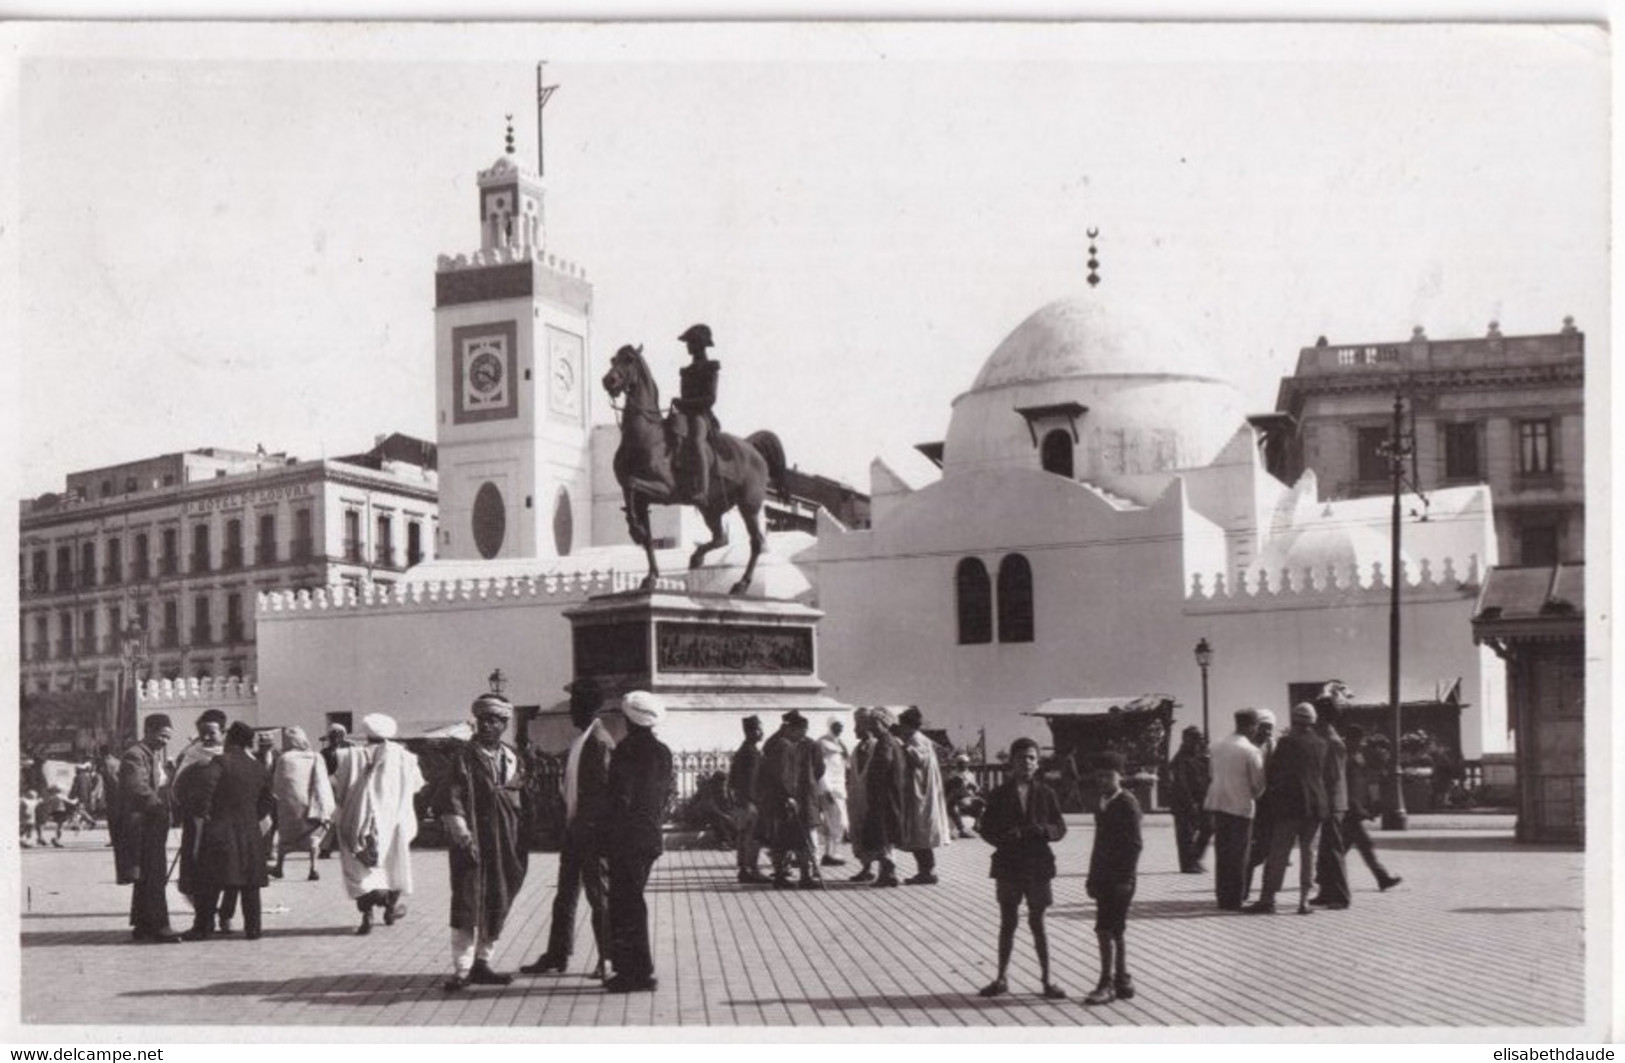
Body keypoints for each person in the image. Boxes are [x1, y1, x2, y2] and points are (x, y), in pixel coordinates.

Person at [522, 678, 616, 979]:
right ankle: (557, 953)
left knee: (598, 896)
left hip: (591, 833)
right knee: (565, 895)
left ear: (587, 707)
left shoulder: (599, 742)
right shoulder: (583, 740)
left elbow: (603, 793)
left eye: (575, 705)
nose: (571, 711)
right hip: (575, 830)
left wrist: (590, 830)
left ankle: (608, 958)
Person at [435, 694, 527, 991]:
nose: (487, 725)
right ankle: (462, 969)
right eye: (483, 719)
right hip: (472, 840)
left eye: (494, 720)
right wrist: (460, 829)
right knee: (466, 902)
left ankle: (483, 962)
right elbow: (450, 795)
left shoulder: (512, 757)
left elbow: (522, 795)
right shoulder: (463, 757)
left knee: (498, 899)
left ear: (504, 724)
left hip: (505, 843)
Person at [976, 737, 1067, 1000]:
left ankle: (1047, 980)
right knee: (1008, 922)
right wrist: (1005, 838)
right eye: (1021, 758)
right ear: (1011, 763)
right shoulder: (999, 794)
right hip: (1009, 865)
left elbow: (1060, 827)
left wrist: (1045, 831)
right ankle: (1001, 977)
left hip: (1038, 865)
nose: (1026, 762)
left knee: (1038, 922)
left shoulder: (1047, 793)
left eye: (1031, 757)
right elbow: (986, 829)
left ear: (1037, 763)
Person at [604, 690, 674, 993]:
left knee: (625, 903)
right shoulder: (663, 752)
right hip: (649, 834)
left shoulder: (627, 750)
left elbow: (621, 797)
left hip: (626, 836)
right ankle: (635, 969)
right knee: (632, 900)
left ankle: (636, 971)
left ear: (629, 720)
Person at [334, 712, 423, 936]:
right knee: (395, 866)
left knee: (361, 869)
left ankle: (367, 914)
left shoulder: (349, 756)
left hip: (357, 822)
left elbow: (339, 790)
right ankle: (390, 909)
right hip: (395, 822)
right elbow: (416, 786)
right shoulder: (405, 757)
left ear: (366, 733)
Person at [185, 722, 274, 941]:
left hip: (219, 828)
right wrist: (252, 817)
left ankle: (203, 927)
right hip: (250, 831)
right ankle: (253, 929)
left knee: (210, 881)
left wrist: (202, 813)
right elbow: (267, 801)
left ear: (230, 740)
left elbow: (206, 790)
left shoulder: (220, 762)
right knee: (250, 885)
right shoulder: (258, 767)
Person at [1246, 703, 1331, 916]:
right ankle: (1304, 901)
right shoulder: (1322, 744)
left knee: (1279, 853)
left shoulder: (1286, 743)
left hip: (1290, 806)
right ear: (1313, 722)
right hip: (1316, 805)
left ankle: (1268, 899)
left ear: (1294, 721)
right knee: (1308, 853)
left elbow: (1274, 774)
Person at [173, 709, 240, 932]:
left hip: (228, 823)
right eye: (203, 733)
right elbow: (177, 787)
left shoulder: (235, 756)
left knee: (231, 873)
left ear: (223, 731)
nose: (207, 737)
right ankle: (204, 918)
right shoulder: (193, 755)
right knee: (199, 872)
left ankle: (226, 914)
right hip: (199, 823)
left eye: (211, 732)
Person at [117, 713, 181, 944]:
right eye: (162, 736)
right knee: (153, 875)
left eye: (168, 737)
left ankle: (143, 924)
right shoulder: (135, 755)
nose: (165, 741)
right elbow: (137, 789)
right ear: (149, 731)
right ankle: (160, 926)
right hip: (143, 826)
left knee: (146, 876)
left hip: (150, 824)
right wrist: (160, 807)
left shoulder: (150, 755)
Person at [1084, 752, 1142, 1005]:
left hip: (1120, 879)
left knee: (1107, 928)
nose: (1104, 781)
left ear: (1121, 776)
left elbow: (1134, 845)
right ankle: (1122, 978)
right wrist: (1092, 875)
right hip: (1103, 876)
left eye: (1109, 776)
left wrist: (1125, 878)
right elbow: (1099, 844)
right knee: (1112, 928)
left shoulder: (1126, 803)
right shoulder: (1104, 801)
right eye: (1100, 777)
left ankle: (1106, 982)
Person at [1204, 708, 1266, 910]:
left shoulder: (1217, 746)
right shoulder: (1250, 751)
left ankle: (1222, 897)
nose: (1257, 730)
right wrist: (1254, 796)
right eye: (1256, 726)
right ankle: (1235, 899)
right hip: (1240, 807)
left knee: (1222, 854)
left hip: (1218, 803)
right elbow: (1258, 783)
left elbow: (1212, 773)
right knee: (1239, 855)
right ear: (1251, 726)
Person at [755, 710, 824, 889]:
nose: (804, 734)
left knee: (785, 841)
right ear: (792, 730)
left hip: (783, 801)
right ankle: (803, 877)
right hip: (787, 802)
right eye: (801, 730)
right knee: (798, 841)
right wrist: (789, 796)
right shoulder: (785, 746)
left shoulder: (781, 744)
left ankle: (785, 876)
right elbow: (783, 776)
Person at [1336, 725, 1403, 892]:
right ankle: (1382, 877)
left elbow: (1362, 783)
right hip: (1350, 808)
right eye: (1358, 740)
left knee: (1346, 846)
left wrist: (1369, 803)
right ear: (1351, 740)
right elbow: (1350, 786)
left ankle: (1323, 874)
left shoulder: (1356, 758)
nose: (1361, 743)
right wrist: (1361, 807)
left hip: (1353, 807)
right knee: (1363, 845)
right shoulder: (1346, 759)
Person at [270, 726, 336, 882]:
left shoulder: (285, 758)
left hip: (291, 804)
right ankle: (313, 868)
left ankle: (279, 867)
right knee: (313, 838)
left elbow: (279, 783)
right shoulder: (315, 757)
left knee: (285, 837)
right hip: (313, 802)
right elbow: (323, 782)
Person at [896, 707, 950, 885]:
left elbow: (918, 759)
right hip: (918, 790)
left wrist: (903, 746)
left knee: (920, 832)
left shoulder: (917, 740)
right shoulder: (916, 739)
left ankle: (927, 871)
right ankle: (925, 870)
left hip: (921, 792)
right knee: (918, 833)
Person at [1309, 699, 1351, 909]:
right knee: (1326, 851)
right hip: (1330, 802)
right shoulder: (1326, 737)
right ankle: (1326, 892)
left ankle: (1342, 896)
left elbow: (1332, 777)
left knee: (1333, 849)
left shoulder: (1332, 742)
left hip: (1333, 803)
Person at [672, 323, 721, 501]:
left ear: (699, 344)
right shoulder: (686, 371)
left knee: (697, 440)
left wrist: (684, 403)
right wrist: (679, 404)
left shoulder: (711, 368)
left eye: (690, 342)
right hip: (685, 414)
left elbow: (710, 399)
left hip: (702, 415)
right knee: (670, 432)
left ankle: (703, 490)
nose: (688, 346)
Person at [860, 706, 907, 888]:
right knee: (885, 836)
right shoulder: (892, 741)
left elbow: (883, 766)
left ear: (884, 724)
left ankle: (888, 869)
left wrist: (874, 786)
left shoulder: (885, 742)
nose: (872, 727)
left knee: (881, 835)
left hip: (883, 797)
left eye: (875, 723)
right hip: (889, 796)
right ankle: (888, 873)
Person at [727, 715, 768, 884]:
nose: (761, 732)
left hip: (743, 801)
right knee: (752, 837)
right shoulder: (750, 752)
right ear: (751, 731)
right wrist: (755, 801)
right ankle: (752, 869)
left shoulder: (744, 750)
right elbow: (750, 780)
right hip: (750, 801)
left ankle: (744, 869)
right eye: (759, 729)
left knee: (744, 836)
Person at [1168, 726, 1213, 873]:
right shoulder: (1181, 758)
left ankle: (1196, 858)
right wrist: (1190, 802)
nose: (1196, 742)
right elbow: (1181, 783)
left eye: (1198, 739)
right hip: (1184, 803)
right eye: (1193, 739)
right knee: (1185, 835)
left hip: (1202, 800)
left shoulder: (1201, 756)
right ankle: (1188, 865)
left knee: (1209, 827)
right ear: (1185, 739)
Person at [844, 708, 877, 881]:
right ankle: (866, 867)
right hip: (857, 798)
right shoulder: (856, 749)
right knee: (859, 832)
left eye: (858, 725)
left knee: (877, 834)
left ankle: (887, 869)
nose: (855, 729)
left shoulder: (877, 747)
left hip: (872, 799)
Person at [815, 718, 851, 867]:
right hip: (829, 790)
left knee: (840, 823)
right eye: (836, 726)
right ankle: (829, 853)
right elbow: (821, 769)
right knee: (834, 822)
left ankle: (832, 852)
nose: (839, 729)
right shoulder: (822, 744)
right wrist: (826, 788)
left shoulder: (841, 744)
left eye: (841, 726)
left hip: (840, 789)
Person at [317, 722, 351, 859]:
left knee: (348, 817)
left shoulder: (350, 750)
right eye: (333, 735)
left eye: (339, 735)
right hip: (330, 787)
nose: (336, 738)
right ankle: (325, 848)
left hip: (347, 787)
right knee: (331, 818)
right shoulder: (324, 753)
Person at [945, 753, 985, 839]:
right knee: (952, 804)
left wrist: (974, 787)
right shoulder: (952, 774)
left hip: (970, 798)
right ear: (957, 764)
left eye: (965, 763)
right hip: (958, 798)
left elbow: (977, 789)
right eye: (960, 763)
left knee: (981, 802)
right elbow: (948, 788)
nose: (963, 765)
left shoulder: (970, 775)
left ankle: (977, 826)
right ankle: (962, 829)